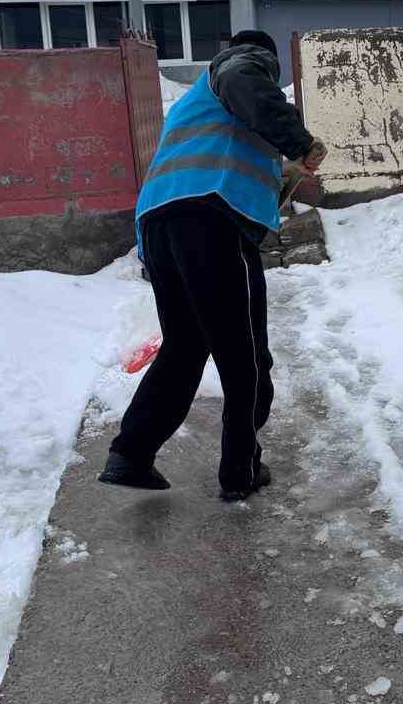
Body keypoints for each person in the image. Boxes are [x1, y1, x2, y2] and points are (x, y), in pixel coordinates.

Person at [99, 29, 326, 502]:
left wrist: (283, 172)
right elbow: (245, 79)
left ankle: (131, 454)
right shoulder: (241, 64)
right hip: (211, 219)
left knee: (184, 348)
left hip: (160, 223)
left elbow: (235, 165)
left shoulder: (199, 107)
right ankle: (240, 470)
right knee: (244, 353)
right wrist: (300, 142)